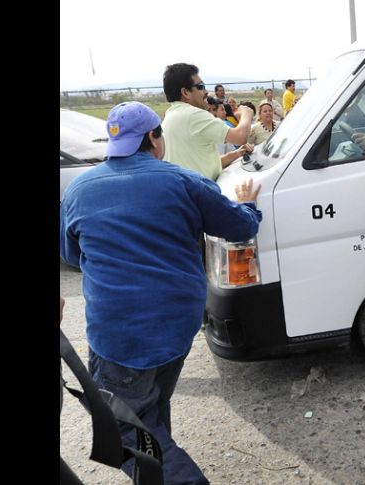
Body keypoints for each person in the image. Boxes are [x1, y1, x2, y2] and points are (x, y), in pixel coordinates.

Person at [60, 101, 263, 485]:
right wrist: (249, 205)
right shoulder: (183, 181)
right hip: (176, 329)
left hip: (119, 337)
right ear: (154, 138)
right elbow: (239, 227)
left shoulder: (78, 190)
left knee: (125, 433)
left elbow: (72, 254)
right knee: (147, 413)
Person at [161, 63, 254, 180]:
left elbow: (203, 166)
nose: (206, 92)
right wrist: (246, 113)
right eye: (200, 86)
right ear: (185, 92)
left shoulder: (172, 115)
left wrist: (235, 154)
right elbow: (240, 137)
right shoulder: (193, 114)